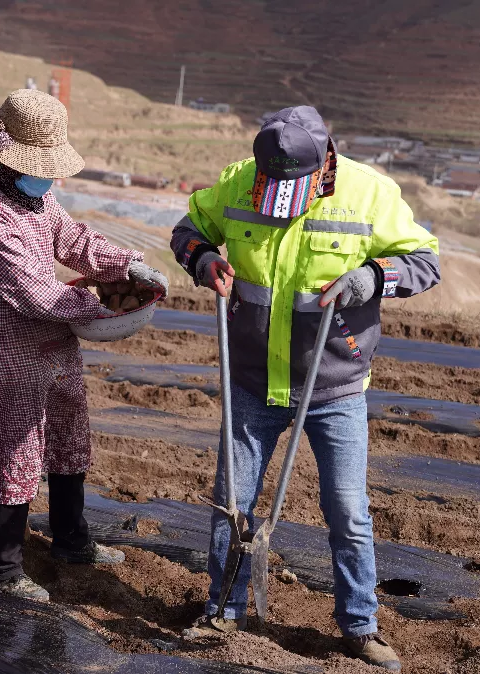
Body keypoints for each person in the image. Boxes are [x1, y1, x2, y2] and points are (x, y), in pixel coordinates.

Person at [170, 106, 440, 671]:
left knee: (347, 510)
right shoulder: (240, 181)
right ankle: (225, 613)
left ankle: (360, 627)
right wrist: (205, 259)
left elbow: (423, 260)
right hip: (250, 379)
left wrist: (370, 279)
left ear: (323, 166)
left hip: (335, 383)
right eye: (271, 185)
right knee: (231, 504)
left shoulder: (370, 195)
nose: (276, 193)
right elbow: (189, 230)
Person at [0, 89, 168, 601]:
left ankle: (72, 540)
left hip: (56, 344)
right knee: (15, 450)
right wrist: (102, 311)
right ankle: (3, 570)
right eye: (43, 166)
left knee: (68, 439)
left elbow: (71, 239)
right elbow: (34, 290)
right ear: (7, 159)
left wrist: (124, 264)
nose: (52, 178)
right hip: (12, 349)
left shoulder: (35, 198)